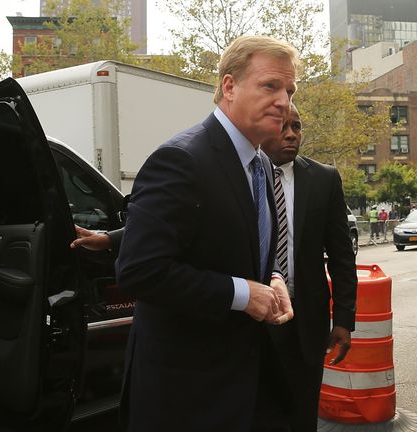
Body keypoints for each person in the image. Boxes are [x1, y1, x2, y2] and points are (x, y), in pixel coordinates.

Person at [115, 35, 298, 432]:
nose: (284, 101)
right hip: (186, 395)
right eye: (271, 86)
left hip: (247, 384)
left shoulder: (262, 164)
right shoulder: (181, 159)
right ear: (229, 87)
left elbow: (244, 249)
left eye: (289, 90)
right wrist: (244, 294)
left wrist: (274, 278)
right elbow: (140, 271)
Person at [256, 104, 357, 431]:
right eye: (282, 125)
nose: (291, 134)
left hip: (306, 324)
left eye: (296, 127)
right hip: (252, 321)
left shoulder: (324, 179)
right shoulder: (241, 174)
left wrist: (344, 319)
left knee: (302, 416)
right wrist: (112, 239)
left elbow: (342, 255)